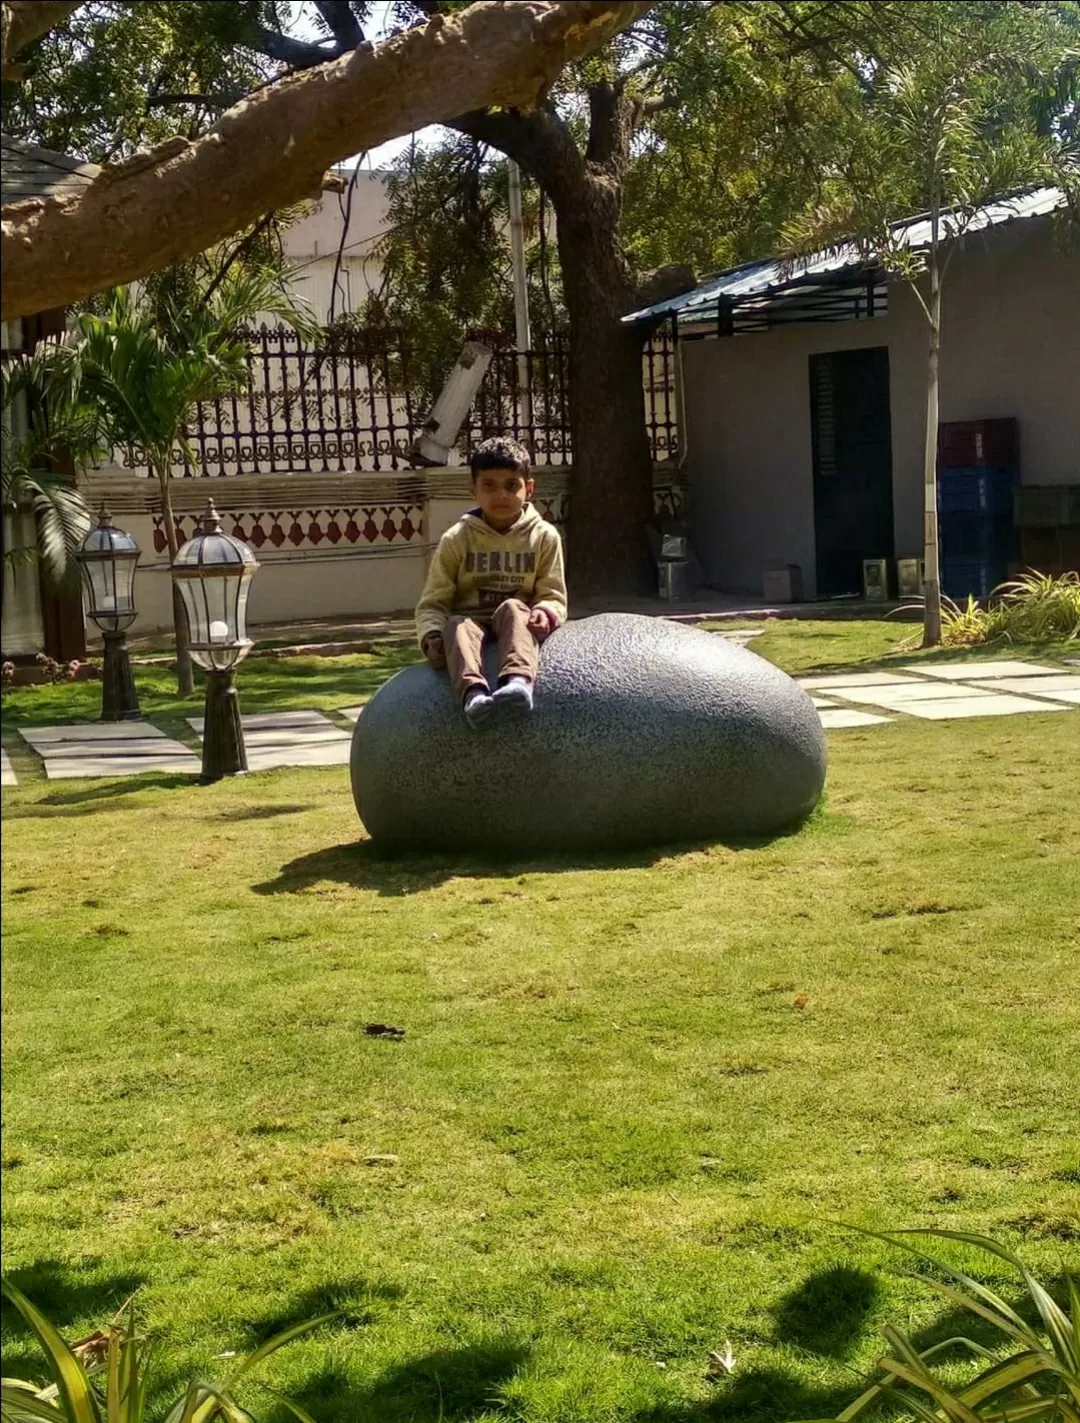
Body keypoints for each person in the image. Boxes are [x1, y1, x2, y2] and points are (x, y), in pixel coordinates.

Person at [415, 436, 567, 728]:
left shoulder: (544, 537)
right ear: (473, 490)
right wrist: (430, 635)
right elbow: (434, 601)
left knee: (513, 607)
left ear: (529, 488)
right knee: (456, 625)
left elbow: (553, 594)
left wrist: (545, 612)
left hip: (517, 622)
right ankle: (474, 696)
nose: (501, 495)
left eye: (511, 485)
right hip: (471, 622)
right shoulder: (457, 539)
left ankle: (518, 683)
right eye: (489, 486)